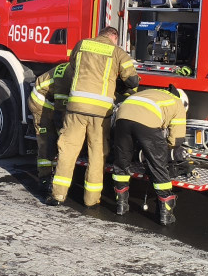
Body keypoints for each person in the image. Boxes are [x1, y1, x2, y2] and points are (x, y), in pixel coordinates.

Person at [50, 27, 140, 207]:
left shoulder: (82, 45)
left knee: (67, 151)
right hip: (100, 113)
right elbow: (132, 81)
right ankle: (91, 200)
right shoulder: (117, 52)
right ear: (114, 36)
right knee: (97, 154)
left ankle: (57, 196)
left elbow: (73, 67)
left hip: (76, 108)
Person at [110, 85, 189, 225]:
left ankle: (121, 205)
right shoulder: (178, 104)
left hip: (122, 116)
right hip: (147, 119)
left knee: (122, 161)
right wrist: (168, 151)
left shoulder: (152, 93)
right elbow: (176, 139)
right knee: (158, 165)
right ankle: (166, 214)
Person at [27, 62, 70, 194]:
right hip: (40, 102)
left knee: (54, 138)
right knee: (46, 141)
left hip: (50, 100)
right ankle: (44, 179)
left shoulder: (71, 68)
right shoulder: (68, 75)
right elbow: (60, 110)